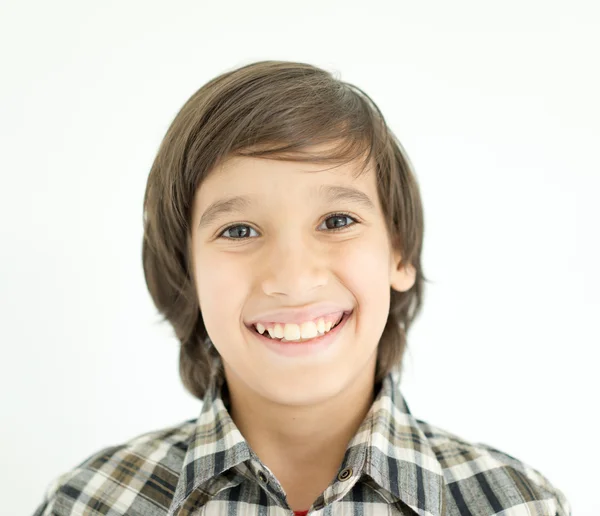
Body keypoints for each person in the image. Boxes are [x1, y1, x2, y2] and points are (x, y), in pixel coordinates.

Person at [33, 60, 571, 516]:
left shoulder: (517, 504)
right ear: (186, 270)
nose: (292, 278)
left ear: (399, 252)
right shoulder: (89, 502)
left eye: (336, 221)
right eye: (239, 231)